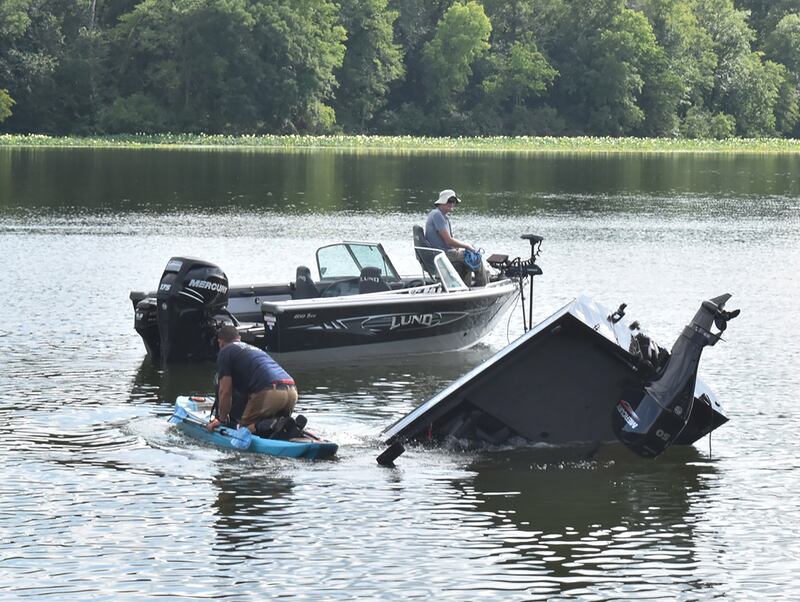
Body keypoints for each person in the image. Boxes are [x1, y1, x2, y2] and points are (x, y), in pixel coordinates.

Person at [207, 324, 299, 436]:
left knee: (243, 432)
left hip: (269, 392)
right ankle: (287, 427)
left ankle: (275, 424)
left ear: (220, 342)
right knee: (276, 432)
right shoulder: (253, 350)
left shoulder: (225, 351)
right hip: (291, 390)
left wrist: (221, 420)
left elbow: (225, 391)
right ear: (239, 338)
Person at [424, 189, 487, 286]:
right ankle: (484, 286)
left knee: (467, 257)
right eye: (450, 201)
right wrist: (467, 246)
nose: (452, 204)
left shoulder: (439, 215)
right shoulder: (437, 215)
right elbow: (448, 241)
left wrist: (461, 247)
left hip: (443, 253)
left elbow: (447, 241)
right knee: (475, 258)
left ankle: (465, 287)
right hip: (443, 255)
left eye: (454, 202)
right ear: (442, 202)